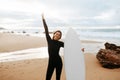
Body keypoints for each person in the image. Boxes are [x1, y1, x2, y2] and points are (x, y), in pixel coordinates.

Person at [42, 14, 64, 80]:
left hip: (59, 62)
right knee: (48, 78)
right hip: (51, 62)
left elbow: (70, 47)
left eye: (59, 35)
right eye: (56, 33)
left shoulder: (60, 43)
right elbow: (46, 29)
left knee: (58, 78)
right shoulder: (49, 40)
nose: (57, 35)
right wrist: (43, 19)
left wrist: (79, 49)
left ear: (60, 37)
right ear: (54, 34)